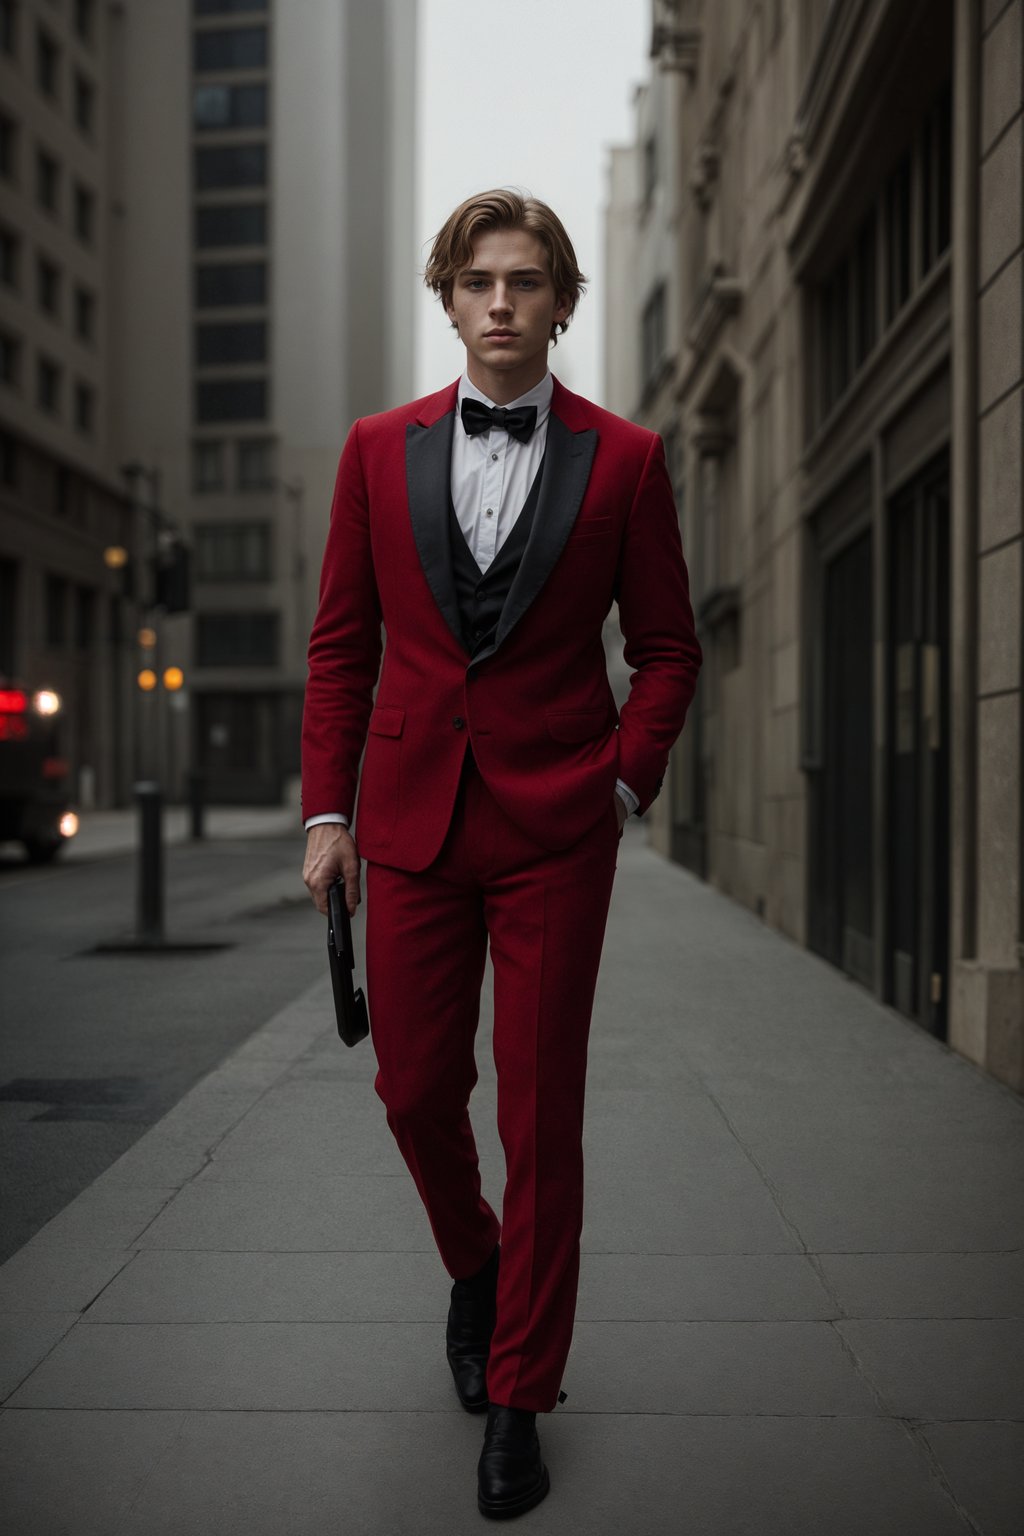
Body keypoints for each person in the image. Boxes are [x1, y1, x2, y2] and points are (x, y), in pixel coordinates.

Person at [301, 188, 701, 1519]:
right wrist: (327, 814)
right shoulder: (375, 451)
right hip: (409, 825)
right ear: (450, 296)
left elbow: (668, 652)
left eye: (527, 281)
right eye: (479, 281)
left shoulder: (628, 461)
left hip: (554, 833)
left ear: (562, 301)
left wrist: (624, 788)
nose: (502, 302)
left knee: (541, 1120)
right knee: (416, 1092)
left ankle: (521, 1394)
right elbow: (342, 650)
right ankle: (475, 1263)